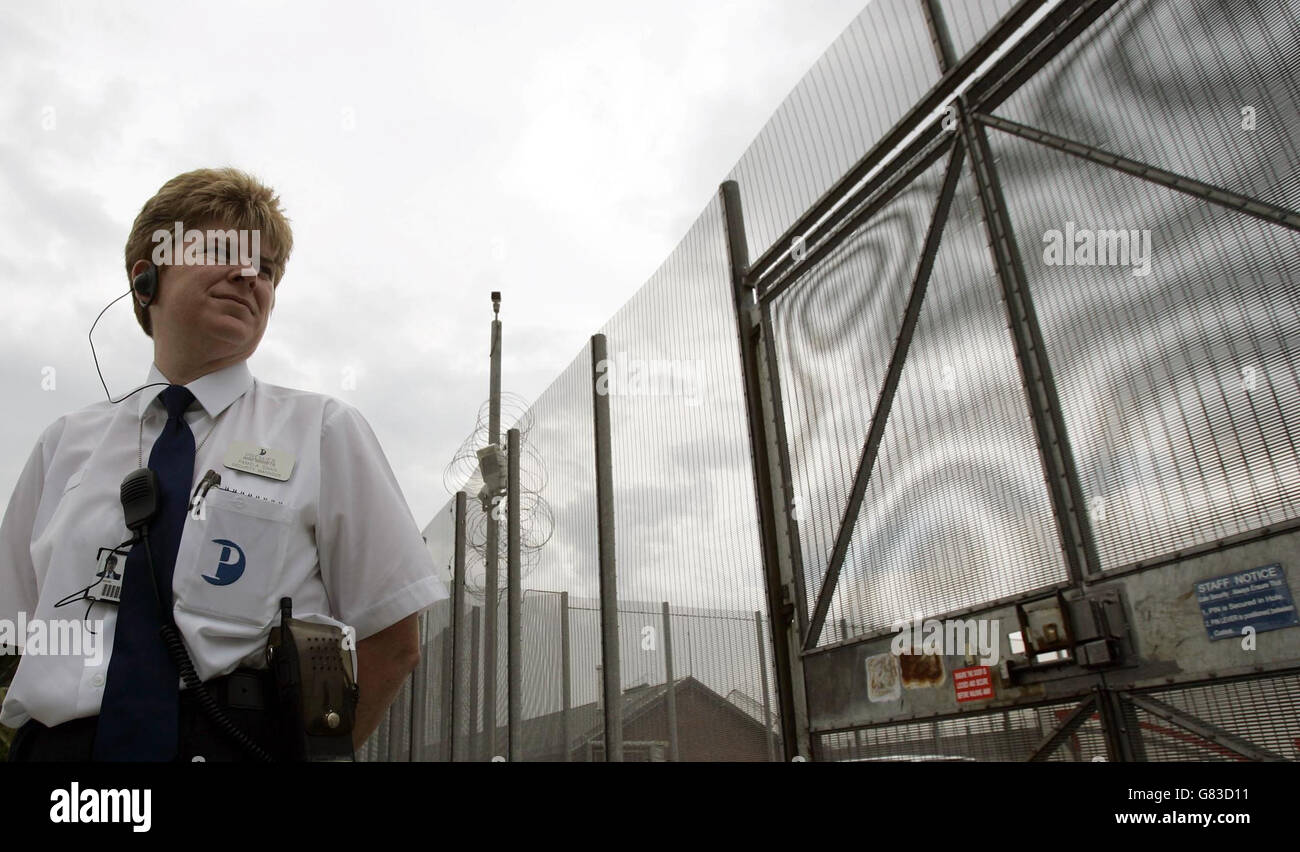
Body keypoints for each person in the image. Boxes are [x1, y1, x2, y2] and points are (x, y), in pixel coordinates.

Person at [0, 167, 447, 761]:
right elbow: (15, 631)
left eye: (265, 270)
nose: (248, 276)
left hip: (231, 741)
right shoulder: (62, 446)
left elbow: (393, 641)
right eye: (221, 251)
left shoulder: (323, 432)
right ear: (146, 279)